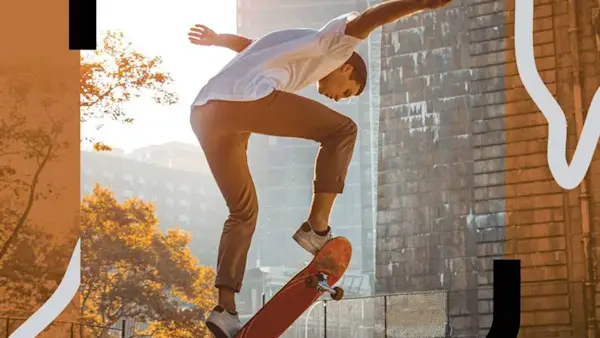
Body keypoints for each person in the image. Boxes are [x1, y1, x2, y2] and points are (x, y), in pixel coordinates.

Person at [187, 0, 453, 337]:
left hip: (204, 114)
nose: (338, 98)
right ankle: (316, 227)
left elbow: (249, 48)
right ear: (346, 69)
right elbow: (372, 17)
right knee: (343, 130)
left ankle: (225, 309)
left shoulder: (294, 47)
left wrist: (217, 38)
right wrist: (423, 4)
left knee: (242, 211)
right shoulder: (336, 44)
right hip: (243, 102)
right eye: (347, 92)